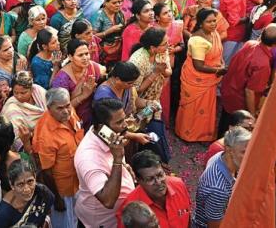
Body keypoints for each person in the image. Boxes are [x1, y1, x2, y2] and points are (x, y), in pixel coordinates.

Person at [73, 98, 138, 228]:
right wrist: (118, 161)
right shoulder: (88, 157)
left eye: (124, 119)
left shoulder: (110, 137)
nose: (125, 125)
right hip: (102, 223)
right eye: (119, 122)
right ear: (102, 127)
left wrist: (126, 171)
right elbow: (108, 201)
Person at [31, 88, 83, 228]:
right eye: (60, 108)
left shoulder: (70, 115)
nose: (66, 111)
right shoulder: (45, 134)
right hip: (62, 190)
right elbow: (46, 171)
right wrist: (56, 198)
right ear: (49, 108)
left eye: (67, 106)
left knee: (75, 220)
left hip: (78, 183)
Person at [220, 24, 276, 133]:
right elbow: (249, 91)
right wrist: (251, 115)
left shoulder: (250, 43)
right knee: (233, 132)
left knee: (225, 121)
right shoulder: (263, 64)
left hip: (229, 90)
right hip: (239, 100)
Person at [176, 8, 227, 143]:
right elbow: (199, 66)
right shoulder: (198, 40)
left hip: (209, 77)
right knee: (193, 107)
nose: (213, 24)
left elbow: (218, 53)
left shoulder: (214, 33)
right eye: (208, 22)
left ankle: (203, 134)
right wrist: (218, 71)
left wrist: (221, 63)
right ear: (200, 22)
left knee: (206, 106)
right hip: (196, 78)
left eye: (214, 21)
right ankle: (188, 135)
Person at [194, 126, 252, 227]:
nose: (249, 155)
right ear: (229, 150)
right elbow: (215, 226)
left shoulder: (220, 156)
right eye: (243, 152)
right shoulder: (219, 189)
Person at [116, 150, 190, 228]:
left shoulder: (179, 185)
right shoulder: (131, 213)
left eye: (160, 175)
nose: (158, 182)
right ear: (138, 180)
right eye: (150, 179)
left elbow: (188, 218)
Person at [52, 39, 105, 130]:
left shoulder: (92, 67)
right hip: (72, 121)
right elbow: (61, 109)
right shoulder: (62, 79)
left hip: (93, 117)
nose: (85, 58)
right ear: (70, 57)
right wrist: (83, 95)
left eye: (87, 53)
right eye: (80, 55)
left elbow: (103, 70)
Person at [0, 160, 54, 228]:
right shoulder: (5, 212)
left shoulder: (42, 192)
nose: (27, 189)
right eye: (20, 184)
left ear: (35, 177)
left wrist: (45, 222)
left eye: (30, 181)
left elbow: (48, 209)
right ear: (12, 185)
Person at [220, 0, 253, 65]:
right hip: (232, 36)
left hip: (236, 35)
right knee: (226, 64)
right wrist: (250, 17)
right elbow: (234, 21)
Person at [0, 70, 47, 135]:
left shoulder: (39, 92)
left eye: (23, 93)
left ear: (31, 90)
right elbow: (16, 136)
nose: (19, 96)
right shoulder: (11, 108)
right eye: (16, 93)